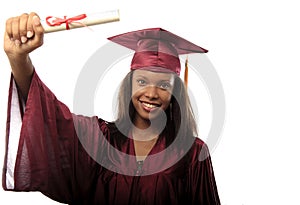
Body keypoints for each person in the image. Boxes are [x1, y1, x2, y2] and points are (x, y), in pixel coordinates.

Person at [2, 12, 221, 205]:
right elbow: (52, 117)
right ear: (129, 85)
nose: (152, 94)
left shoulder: (191, 154)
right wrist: (19, 59)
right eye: (142, 81)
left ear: (176, 93)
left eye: (164, 85)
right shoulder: (101, 140)